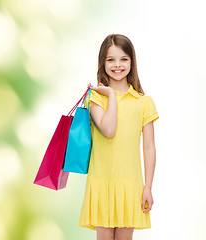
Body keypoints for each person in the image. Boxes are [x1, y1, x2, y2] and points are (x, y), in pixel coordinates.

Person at [79, 34, 159, 240]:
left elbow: (149, 147)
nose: (117, 65)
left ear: (132, 62)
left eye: (123, 59)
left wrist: (148, 187)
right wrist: (110, 95)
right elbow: (108, 129)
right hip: (101, 181)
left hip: (130, 184)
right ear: (102, 63)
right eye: (110, 59)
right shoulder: (95, 97)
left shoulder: (144, 102)